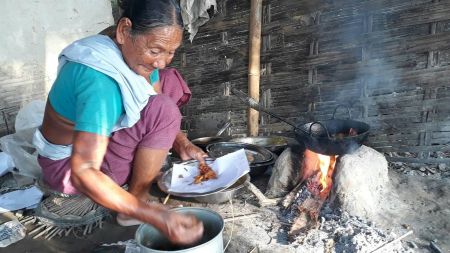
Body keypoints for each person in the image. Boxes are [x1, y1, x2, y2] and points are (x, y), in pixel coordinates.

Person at [33, 0, 204, 245]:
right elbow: (84, 172)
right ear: (124, 31)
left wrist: (182, 143)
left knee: (169, 81)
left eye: (171, 52)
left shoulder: (135, 55)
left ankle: (141, 175)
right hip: (68, 169)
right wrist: (152, 214)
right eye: (155, 50)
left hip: (92, 146)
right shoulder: (100, 83)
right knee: (165, 111)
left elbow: (153, 97)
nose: (161, 61)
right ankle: (135, 201)